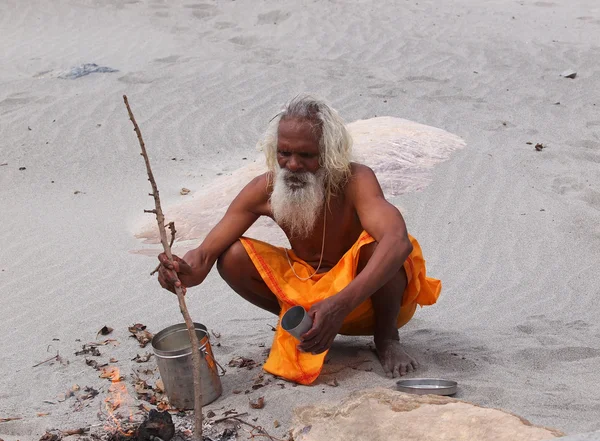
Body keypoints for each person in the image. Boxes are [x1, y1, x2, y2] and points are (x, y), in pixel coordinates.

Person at [158, 94, 441, 385]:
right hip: (308, 298)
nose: (292, 165)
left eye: (306, 156)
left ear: (330, 153)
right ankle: (305, 328)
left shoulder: (356, 180)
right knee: (232, 257)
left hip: (365, 299)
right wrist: (181, 272)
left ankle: (387, 339)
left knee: (382, 248)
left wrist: (339, 305)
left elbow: (397, 241)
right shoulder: (263, 189)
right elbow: (203, 257)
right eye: (284, 153)